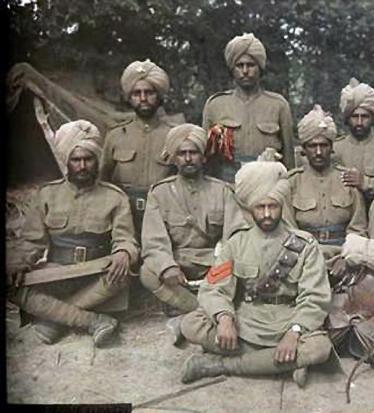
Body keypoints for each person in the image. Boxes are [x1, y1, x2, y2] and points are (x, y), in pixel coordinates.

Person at [178, 161, 332, 386]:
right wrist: (224, 318)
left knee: (320, 349)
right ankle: (283, 363)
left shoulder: (305, 244)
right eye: (261, 207)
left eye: (273, 206)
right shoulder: (235, 244)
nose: (268, 214)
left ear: (282, 205)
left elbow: (315, 297)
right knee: (191, 324)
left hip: (287, 320)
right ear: (250, 208)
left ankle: (217, 365)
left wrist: (295, 332)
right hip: (246, 320)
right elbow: (213, 288)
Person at [7, 120, 139, 347]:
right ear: (66, 161)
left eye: (88, 159)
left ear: (97, 160)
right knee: (10, 282)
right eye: (76, 160)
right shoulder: (47, 195)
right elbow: (31, 241)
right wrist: (19, 262)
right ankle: (92, 320)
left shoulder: (115, 197)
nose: (82, 166)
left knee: (124, 274)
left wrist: (124, 253)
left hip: (97, 273)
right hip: (58, 272)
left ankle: (53, 321)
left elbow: (125, 238)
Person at [140, 124, 244, 320]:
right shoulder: (160, 193)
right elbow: (153, 241)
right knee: (148, 272)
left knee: (242, 268)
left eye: (193, 152)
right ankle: (205, 311)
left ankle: (192, 312)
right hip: (179, 262)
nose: (188, 159)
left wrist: (221, 265)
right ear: (174, 158)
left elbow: (236, 235)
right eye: (182, 153)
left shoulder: (222, 191)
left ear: (203, 156)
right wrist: (167, 266)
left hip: (213, 263)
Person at [100, 59, 178, 237]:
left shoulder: (174, 135)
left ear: (159, 96)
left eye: (149, 92)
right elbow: (103, 182)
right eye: (136, 93)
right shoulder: (115, 136)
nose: (143, 98)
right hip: (124, 219)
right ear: (129, 97)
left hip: (164, 217)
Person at [202, 33, 294, 183]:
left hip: (267, 183)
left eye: (251, 65)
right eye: (239, 66)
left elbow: (289, 158)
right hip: (227, 185)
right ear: (232, 69)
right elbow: (205, 156)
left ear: (260, 68)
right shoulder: (215, 105)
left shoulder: (278, 105)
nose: (245, 71)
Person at [288, 105, 367, 262]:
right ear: (303, 149)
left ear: (331, 148)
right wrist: (308, 258)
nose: (318, 152)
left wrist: (346, 258)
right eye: (312, 146)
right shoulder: (292, 182)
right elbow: (288, 230)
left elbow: (358, 228)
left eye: (324, 145)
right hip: (303, 255)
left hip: (343, 255)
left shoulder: (347, 179)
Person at [333, 78, 374, 206]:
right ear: (347, 119)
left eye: (365, 116)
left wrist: (366, 183)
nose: (360, 122)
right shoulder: (335, 149)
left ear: (373, 118)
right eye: (355, 117)